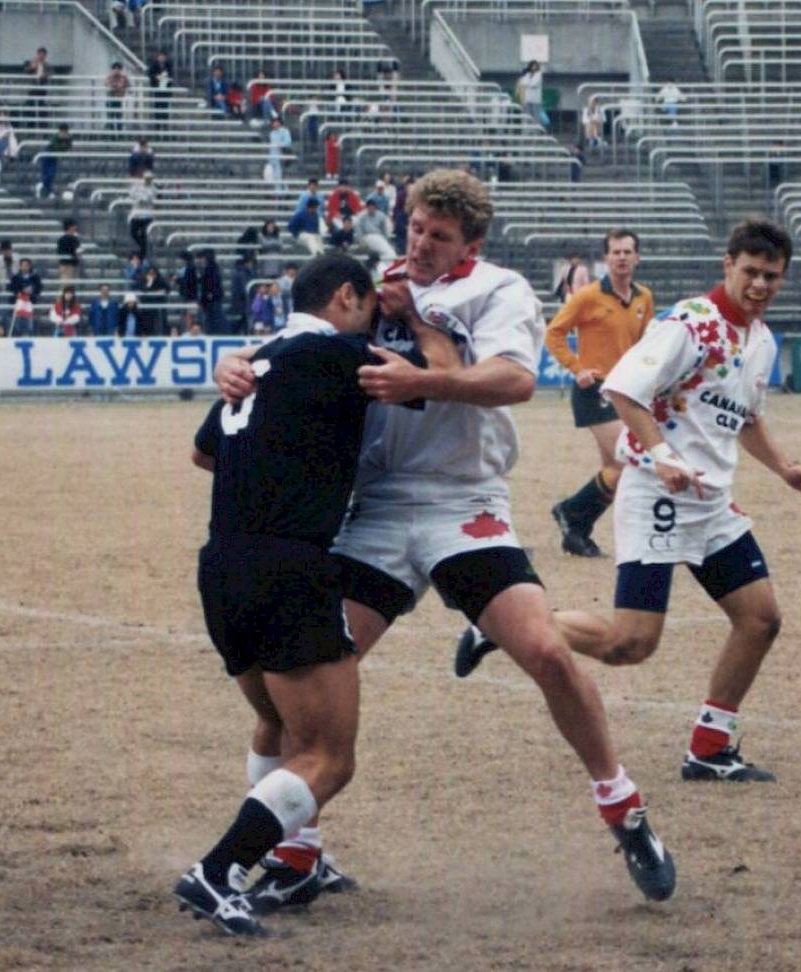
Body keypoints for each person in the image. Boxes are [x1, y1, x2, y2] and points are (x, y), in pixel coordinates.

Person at [215, 169, 677, 911]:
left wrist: (424, 372)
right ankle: (298, 854)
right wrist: (235, 365)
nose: (422, 244)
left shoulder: (498, 290)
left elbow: (513, 381)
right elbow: (300, 346)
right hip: (376, 509)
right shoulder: (379, 288)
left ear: (472, 244)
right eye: (416, 228)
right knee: (300, 684)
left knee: (547, 653)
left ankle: (624, 810)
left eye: (440, 235)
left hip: (465, 503)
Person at [458, 219, 801, 786]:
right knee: (629, 645)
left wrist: (784, 468)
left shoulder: (760, 340)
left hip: (710, 502)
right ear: (728, 265)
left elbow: (746, 418)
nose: (759, 285)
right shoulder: (691, 324)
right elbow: (624, 389)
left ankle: (709, 749)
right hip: (658, 494)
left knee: (760, 620)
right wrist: (661, 454)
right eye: (750, 272)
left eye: (771, 277)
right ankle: (510, 628)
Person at [177, 252, 460, 936]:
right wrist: (421, 323)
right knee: (329, 758)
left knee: (282, 729)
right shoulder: (335, 354)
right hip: (289, 568)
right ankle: (218, 871)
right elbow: (443, 377)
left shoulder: (261, 359)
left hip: (223, 565)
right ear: (346, 297)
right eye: (370, 309)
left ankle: (292, 855)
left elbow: (205, 451)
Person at [545, 229, 654, 557]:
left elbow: (646, 345)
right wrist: (577, 368)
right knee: (631, 460)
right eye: (615, 252)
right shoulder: (588, 296)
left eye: (627, 252)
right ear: (606, 258)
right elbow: (554, 334)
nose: (621, 257)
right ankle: (570, 511)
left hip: (627, 391)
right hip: (596, 391)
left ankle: (576, 528)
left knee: (617, 473)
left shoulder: (644, 297)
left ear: (637, 257)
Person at [127, 172, 156, 259]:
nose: (148, 180)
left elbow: (149, 198)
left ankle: (142, 253)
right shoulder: (137, 186)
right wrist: (140, 197)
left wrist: (141, 197)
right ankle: (142, 249)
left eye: (149, 179)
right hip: (136, 214)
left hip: (147, 215)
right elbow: (132, 195)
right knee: (133, 232)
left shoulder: (153, 188)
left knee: (144, 234)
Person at [40, 124, 71, 198]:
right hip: (47, 156)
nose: (63, 134)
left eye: (65, 132)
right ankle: (45, 190)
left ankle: (48, 190)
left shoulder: (68, 138)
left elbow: (68, 146)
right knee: (46, 174)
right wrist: (62, 146)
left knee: (51, 174)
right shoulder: (55, 137)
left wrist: (63, 145)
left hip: (54, 158)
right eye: (62, 132)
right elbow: (56, 147)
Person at [516, 60, 548, 128]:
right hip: (528, 99)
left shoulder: (539, 75)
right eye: (533, 65)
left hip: (536, 99)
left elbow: (534, 84)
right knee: (527, 116)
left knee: (536, 116)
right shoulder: (527, 74)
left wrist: (527, 83)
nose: (534, 67)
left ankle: (536, 131)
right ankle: (528, 131)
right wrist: (528, 82)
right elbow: (523, 83)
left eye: (535, 66)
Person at [265, 117, 292, 191]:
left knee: (282, 175)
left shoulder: (285, 131)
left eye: (277, 122)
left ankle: (285, 192)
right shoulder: (271, 133)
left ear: (280, 123)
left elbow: (288, 143)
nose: (275, 124)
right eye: (274, 122)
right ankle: (278, 191)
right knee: (275, 176)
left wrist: (279, 144)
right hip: (273, 157)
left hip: (282, 157)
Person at [105, 62, 129, 132]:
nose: (116, 70)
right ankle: (111, 131)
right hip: (110, 99)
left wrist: (120, 86)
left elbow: (127, 85)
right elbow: (107, 84)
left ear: (121, 70)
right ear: (112, 70)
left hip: (119, 100)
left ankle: (119, 131)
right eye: (115, 69)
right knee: (110, 116)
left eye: (118, 69)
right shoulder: (109, 77)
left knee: (119, 116)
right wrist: (116, 86)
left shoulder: (123, 77)